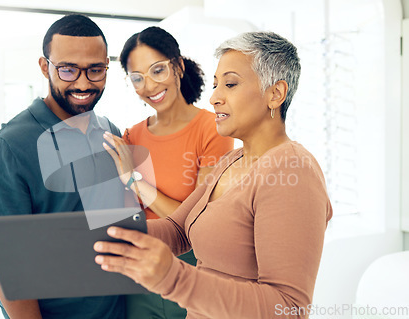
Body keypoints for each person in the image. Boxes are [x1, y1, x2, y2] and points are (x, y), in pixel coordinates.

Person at [95, 31, 333, 319]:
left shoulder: (293, 171)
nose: (214, 98)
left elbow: (288, 307)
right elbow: (178, 230)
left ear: (275, 94)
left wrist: (174, 278)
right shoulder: (233, 160)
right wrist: (106, 232)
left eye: (230, 84)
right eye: (216, 85)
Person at [0, 14, 126, 319]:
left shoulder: (110, 131)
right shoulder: (7, 149)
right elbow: (7, 268)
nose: (83, 83)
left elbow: (114, 225)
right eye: (68, 70)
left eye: (95, 70)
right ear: (45, 67)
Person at [103, 26, 233, 319]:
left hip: (193, 274)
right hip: (140, 276)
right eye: (137, 78)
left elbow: (197, 223)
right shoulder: (131, 136)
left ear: (178, 67)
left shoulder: (214, 130)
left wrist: (134, 180)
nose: (149, 86)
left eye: (158, 70)